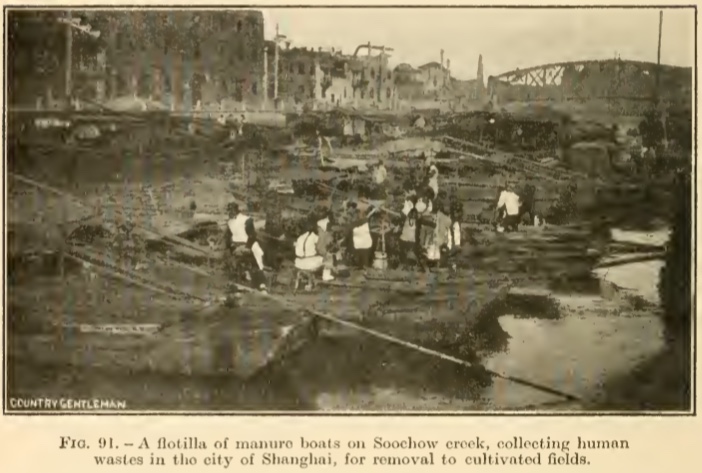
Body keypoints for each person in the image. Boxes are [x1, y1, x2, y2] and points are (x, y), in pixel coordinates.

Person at [224, 202, 267, 291]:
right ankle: (242, 277)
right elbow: (228, 237)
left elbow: (252, 235)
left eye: (231, 211)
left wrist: (247, 247)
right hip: (236, 246)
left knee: (256, 258)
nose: (230, 213)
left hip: (248, 244)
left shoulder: (246, 219)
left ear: (236, 210)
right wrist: (232, 247)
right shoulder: (230, 222)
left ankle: (262, 283)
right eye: (229, 211)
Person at [348, 203, 379, 269]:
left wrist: (373, 210)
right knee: (360, 254)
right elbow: (365, 218)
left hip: (365, 240)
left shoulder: (363, 221)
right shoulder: (356, 222)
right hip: (359, 240)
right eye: (357, 214)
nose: (358, 215)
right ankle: (361, 266)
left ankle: (364, 266)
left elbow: (367, 218)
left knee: (364, 254)